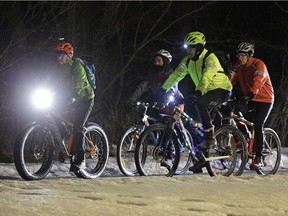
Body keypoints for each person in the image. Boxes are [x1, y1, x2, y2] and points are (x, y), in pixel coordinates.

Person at [156, 31, 232, 172]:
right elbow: (176, 75)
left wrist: (198, 92)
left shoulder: (210, 58)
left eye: (191, 47)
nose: (188, 50)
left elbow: (207, 76)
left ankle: (210, 137)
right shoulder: (188, 60)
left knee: (200, 104)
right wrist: (163, 89)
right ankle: (200, 159)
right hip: (204, 92)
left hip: (221, 90)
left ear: (199, 47)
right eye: (187, 48)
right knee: (194, 124)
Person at [129, 49, 184, 168]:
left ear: (165, 62)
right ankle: (159, 143)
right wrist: (132, 99)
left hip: (174, 103)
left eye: (159, 61)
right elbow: (143, 86)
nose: (156, 63)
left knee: (168, 127)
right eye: (155, 60)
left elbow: (172, 91)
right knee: (150, 115)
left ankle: (170, 156)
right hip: (160, 104)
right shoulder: (153, 74)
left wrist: (163, 101)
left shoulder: (171, 74)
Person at [230, 42, 274, 170]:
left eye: (243, 55)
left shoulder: (258, 65)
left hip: (264, 99)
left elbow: (258, 82)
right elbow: (229, 82)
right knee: (235, 113)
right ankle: (243, 139)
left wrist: (250, 95)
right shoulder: (238, 67)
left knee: (258, 124)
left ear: (249, 56)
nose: (240, 58)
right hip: (251, 98)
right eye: (238, 55)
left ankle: (258, 158)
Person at [54, 41, 95, 172]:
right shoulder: (59, 69)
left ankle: (81, 159)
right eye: (57, 55)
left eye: (61, 54)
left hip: (85, 99)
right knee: (54, 113)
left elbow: (80, 83)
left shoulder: (77, 66)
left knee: (78, 127)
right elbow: (53, 83)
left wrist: (75, 96)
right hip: (70, 99)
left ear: (69, 55)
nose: (58, 57)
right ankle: (66, 135)